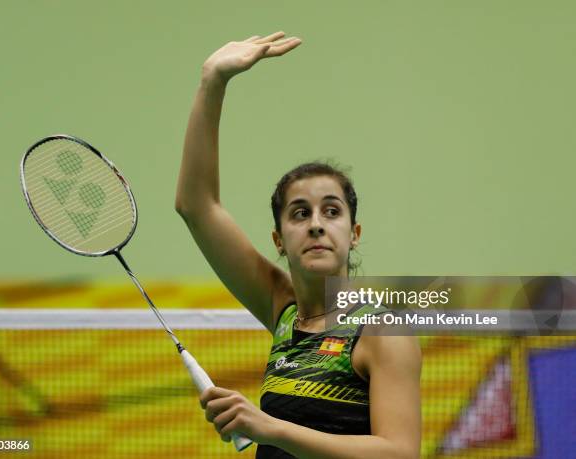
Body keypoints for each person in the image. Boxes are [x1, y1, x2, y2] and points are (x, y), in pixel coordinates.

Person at [175, 31, 421, 459]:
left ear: (354, 233)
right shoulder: (283, 311)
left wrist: (272, 429)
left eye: (331, 211)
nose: (316, 226)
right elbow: (197, 206)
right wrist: (212, 81)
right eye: (300, 213)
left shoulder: (381, 332)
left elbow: (399, 452)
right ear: (279, 241)